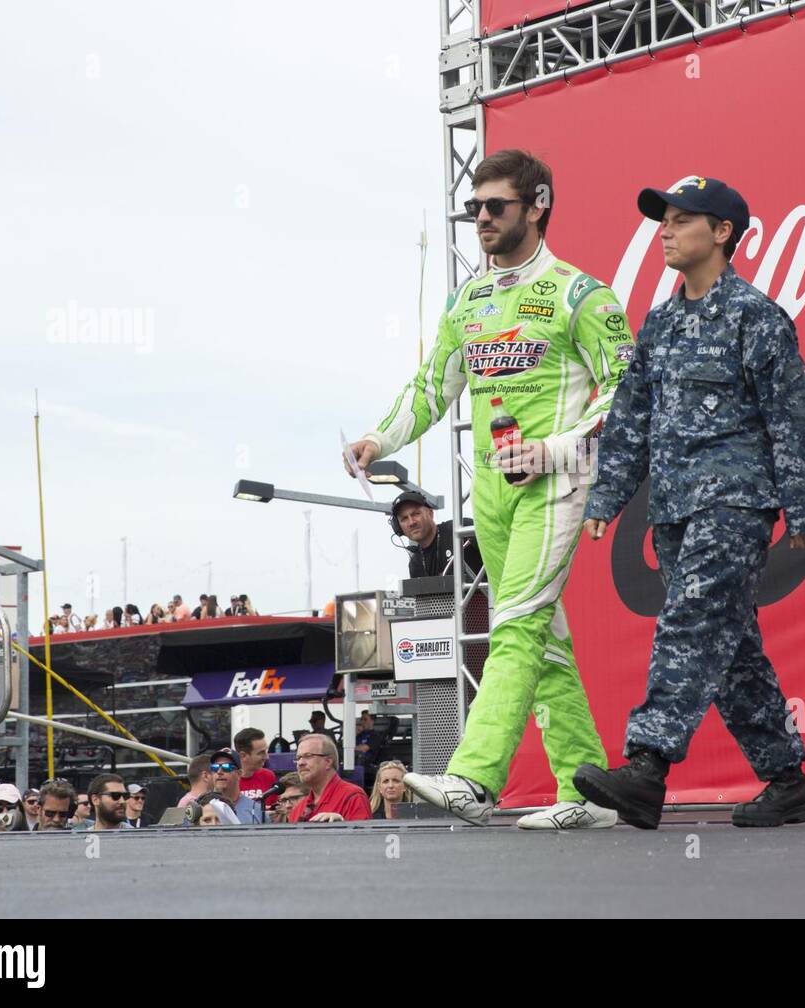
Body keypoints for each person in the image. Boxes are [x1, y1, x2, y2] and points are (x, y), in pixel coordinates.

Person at [344, 149, 632, 831]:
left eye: (495, 206)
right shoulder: (468, 300)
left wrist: (555, 450)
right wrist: (377, 441)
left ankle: (475, 777)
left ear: (537, 205)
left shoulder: (578, 293)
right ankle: (589, 793)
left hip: (557, 483)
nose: (480, 218)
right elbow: (431, 387)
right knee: (545, 642)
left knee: (516, 626)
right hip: (493, 498)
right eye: (473, 208)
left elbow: (627, 391)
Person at [571, 177, 805, 830]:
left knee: (688, 627)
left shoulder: (755, 315)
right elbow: (630, 416)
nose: (666, 230)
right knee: (731, 651)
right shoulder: (658, 323)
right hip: (674, 511)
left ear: (721, 233)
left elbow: (793, 417)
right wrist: (608, 495)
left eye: (683, 220)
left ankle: (647, 768)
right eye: (664, 219)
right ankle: (787, 784)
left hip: (736, 504)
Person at [390, 492, 483, 580]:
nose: (411, 522)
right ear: (398, 527)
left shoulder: (461, 529)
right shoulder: (415, 564)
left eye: (415, 514)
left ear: (430, 514)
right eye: (404, 519)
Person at [288, 735, 369, 823]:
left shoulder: (353, 797)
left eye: (308, 756)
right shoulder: (298, 809)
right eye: (298, 758)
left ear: (328, 762)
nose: (300, 763)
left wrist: (341, 823)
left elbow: (362, 835)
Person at [210, 747, 262, 823]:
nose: (219, 771)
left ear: (239, 774)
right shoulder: (201, 807)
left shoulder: (255, 809)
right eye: (215, 767)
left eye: (226, 767)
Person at [234, 728, 276, 806]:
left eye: (266, 751)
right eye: (261, 753)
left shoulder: (268, 776)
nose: (267, 757)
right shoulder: (230, 781)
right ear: (243, 756)